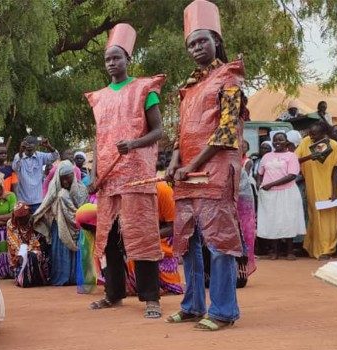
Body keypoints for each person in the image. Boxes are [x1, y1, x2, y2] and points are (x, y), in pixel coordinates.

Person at [165, 0, 246, 331]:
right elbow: (179, 134)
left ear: (216, 41)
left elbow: (226, 133)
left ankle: (224, 310)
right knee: (186, 241)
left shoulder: (230, 78)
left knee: (219, 240)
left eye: (202, 40)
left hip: (215, 170)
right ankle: (193, 305)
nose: (197, 47)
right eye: (191, 43)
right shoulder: (188, 87)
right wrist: (173, 163)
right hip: (186, 172)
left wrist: (191, 164)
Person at [83, 23, 166, 318]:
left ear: (128, 59)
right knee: (110, 239)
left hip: (136, 176)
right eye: (107, 59)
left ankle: (151, 297)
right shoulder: (99, 97)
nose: (112, 63)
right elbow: (98, 139)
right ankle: (113, 293)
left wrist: (133, 143)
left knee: (142, 237)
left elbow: (158, 131)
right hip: (107, 179)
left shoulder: (145, 90)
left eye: (117, 57)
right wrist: (94, 175)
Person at [33, 161, 88, 286]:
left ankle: (74, 278)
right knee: (60, 252)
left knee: (76, 253)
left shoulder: (82, 189)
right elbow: (45, 205)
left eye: (68, 179)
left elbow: (83, 208)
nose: (65, 183)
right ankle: (61, 278)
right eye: (63, 180)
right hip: (59, 226)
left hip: (78, 227)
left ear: (73, 177)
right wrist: (36, 216)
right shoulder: (55, 190)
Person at [295, 120, 337, 259]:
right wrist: (310, 156)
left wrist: (334, 192)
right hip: (312, 187)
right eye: (310, 133)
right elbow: (294, 160)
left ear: (324, 133)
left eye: (314, 134)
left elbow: (335, 171)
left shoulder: (334, 145)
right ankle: (312, 248)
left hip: (329, 187)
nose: (311, 136)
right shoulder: (305, 142)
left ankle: (327, 249)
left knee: (329, 220)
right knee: (315, 218)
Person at [257, 132, 306, 259]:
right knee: (273, 221)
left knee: (288, 220)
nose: (277, 142)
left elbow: (292, 176)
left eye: (280, 140)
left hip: (287, 192)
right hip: (269, 194)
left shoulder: (292, 156)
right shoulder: (267, 156)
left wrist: (271, 184)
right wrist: (260, 184)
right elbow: (260, 172)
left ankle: (290, 251)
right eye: (275, 140)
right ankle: (275, 251)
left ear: (287, 142)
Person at [12, 136, 59, 214]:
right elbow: (15, 168)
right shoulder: (18, 156)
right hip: (23, 201)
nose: (29, 145)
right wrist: (20, 151)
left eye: (32, 143)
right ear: (24, 144)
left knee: (37, 223)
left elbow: (55, 156)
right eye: (27, 143)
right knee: (24, 224)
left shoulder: (40, 156)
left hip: (38, 200)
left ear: (36, 145)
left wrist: (48, 146)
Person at [6, 202, 47, 287]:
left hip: (33, 247)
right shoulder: (11, 224)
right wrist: (27, 251)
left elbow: (34, 239)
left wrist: (32, 250)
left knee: (37, 254)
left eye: (25, 217)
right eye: (20, 218)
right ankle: (25, 280)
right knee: (26, 256)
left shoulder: (31, 221)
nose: (23, 219)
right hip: (18, 251)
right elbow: (14, 243)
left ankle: (38, 279)